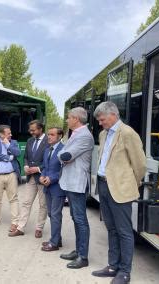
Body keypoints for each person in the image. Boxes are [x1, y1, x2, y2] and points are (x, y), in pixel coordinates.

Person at [91, 102, 146, 284]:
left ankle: (124, 272)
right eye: (99, 120)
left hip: (120, 189)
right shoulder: (103, 133)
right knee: (111, 229)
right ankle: (112, 266)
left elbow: (140, 165)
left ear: (113, 114)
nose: (100, 123)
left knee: (124, 232)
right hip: (103, 186)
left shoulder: (128, 133)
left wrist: (130, 184)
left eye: (102, 119)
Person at [58, 107, 94, 269]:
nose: (67, 120)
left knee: (80, 219)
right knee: (75, 217)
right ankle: (79, 251)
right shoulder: (76, 134)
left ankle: (83, 257)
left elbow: (65, 155)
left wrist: (62, 155)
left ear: (76, 119)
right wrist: (63, 155)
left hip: (77, 182)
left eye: (68, 118)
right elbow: (64, 154)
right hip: (71, 182)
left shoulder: (84, 136)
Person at [9, 120, 48, 237]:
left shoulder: (49, 141)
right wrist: (25, 165)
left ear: (41, 129)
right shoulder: (30, 140)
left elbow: (50, 161)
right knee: (26, 203)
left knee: (43, 205)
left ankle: (39, 228)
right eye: (30, 130)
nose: (31, 132)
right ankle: (20, 228)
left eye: (33, 130)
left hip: (42, 177)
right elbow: (25, 156)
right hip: (30, 178)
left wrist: (38, 169)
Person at [39, 127, 65, 251]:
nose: (49, 137)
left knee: (55, 214)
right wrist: (42, 175)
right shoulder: (47, 150)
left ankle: (54, 243)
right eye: (48, 134)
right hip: (47, 187)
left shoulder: (64, 149)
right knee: (51, 213)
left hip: (58, 188)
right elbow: (44, 166)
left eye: (52, 135)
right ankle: (57, 239)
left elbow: (63, 169)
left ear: (60, 136)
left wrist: (52, 178)